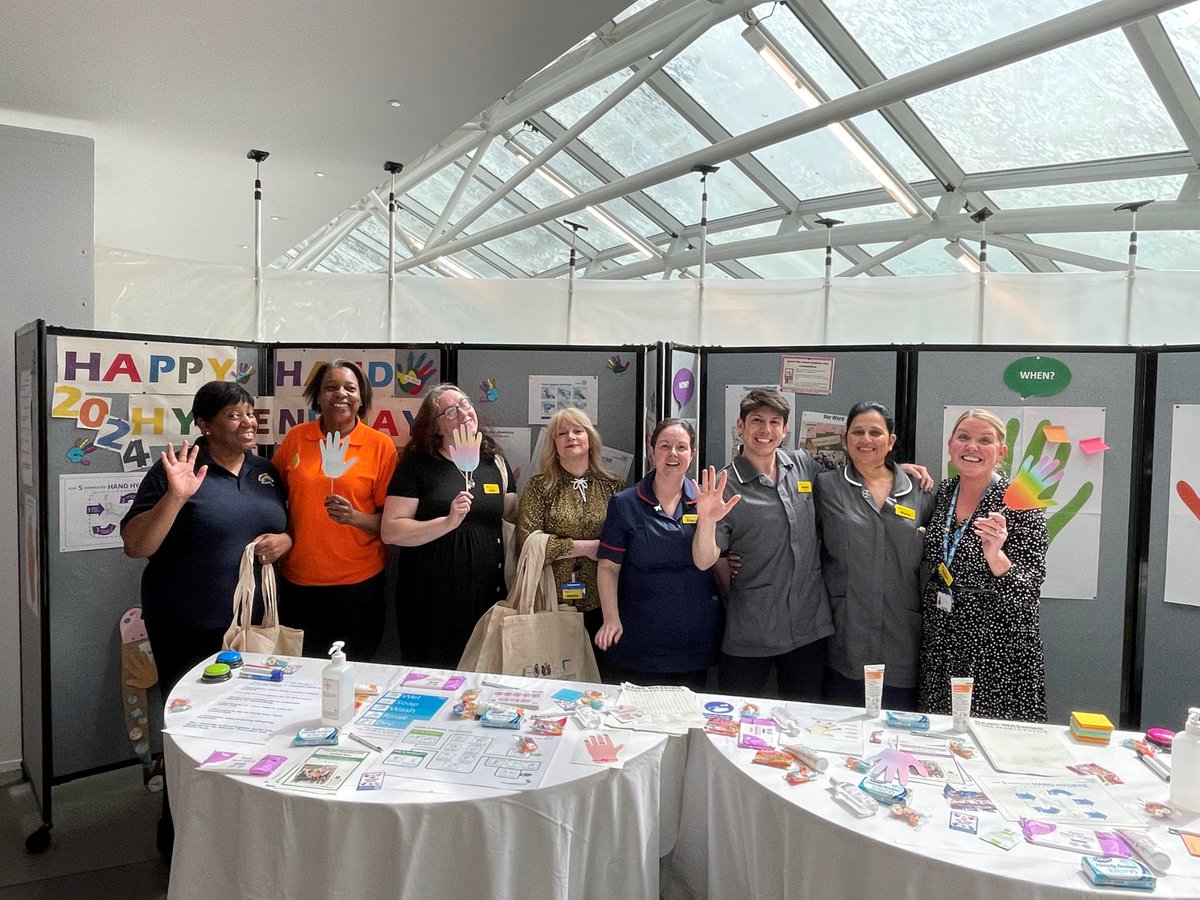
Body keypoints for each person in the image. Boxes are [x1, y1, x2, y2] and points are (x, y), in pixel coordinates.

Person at [121, 380, 290, 857]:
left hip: (250, 628)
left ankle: (238, 831)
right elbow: (137, 546)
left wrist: (287, 543)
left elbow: (282, 527)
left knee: (250, 728)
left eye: (251, 413)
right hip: (186, 622)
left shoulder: (266, 471)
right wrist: (175, 496)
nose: (248, 422)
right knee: (192, 732)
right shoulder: (177, 469)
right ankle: (180, 838)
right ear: (204, 424)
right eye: (234, 415)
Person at [693, 388, 931, 701]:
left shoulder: (803, 465)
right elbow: (703, 560)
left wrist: (902, 470)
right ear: (741, 426)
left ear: (785, 429)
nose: (766, 430)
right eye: (756, 421)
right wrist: (707, 521)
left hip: (809, 631)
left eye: (775, 422)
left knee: (807, 723)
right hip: (753, 630)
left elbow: (859, 474)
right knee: (741, 723)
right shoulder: (725, 483)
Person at [919, 408, 1049, 722]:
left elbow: (1028, 592)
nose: (972, 447)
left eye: (984, 440)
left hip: (996, 642)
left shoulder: (1020, 502)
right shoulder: (945, 491)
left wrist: (996, 555)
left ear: (1001, 452)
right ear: (950, 446)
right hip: (943, 635)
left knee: (991, 737)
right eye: (964, 437)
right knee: (941, 733)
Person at [381, 384, 517, 669]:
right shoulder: (417, 466)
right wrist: (448, 521)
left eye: (466, 404)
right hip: (431, 602)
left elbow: (508, 516)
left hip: (487, 598)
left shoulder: (495, 463)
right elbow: (391, 530)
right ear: (436, 426)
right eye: (451, 411)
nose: (464, 413)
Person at [271, 359, 398, 662]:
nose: (340, 393)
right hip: (300, 581)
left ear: (361, 398)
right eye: (330, 387)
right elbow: (271, 497)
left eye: (349, 388)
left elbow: (392, 522)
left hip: (358, 584)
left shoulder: (380, 446)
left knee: (354, 670)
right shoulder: (296, 439)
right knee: (303, 671)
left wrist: (355, 518)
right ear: (318, 397)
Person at [816, 401, 934, 711]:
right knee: (842, 733)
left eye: (875, 432)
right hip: (846, 636)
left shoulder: (921, 491)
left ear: (891, 441)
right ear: (845, 440)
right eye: (857, 432)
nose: (865, 440)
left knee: (897, 735)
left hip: (901, 638)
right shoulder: (826, 486)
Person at [596, 419, 721, 691]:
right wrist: (610, 618)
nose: (673, 454)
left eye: (681, 447)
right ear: (652, 451)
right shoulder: (625, 503)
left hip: (693, 639)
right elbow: (608, 567)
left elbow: (704, 562)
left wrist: (707, 519)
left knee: (686, 723)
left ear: (692, 454)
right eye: (665, 446)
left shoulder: (705, 500)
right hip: (639, 637)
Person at [516, 408, 624, 639]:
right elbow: (526, 544)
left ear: (590, 440)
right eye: (562, 433)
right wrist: (583, 547)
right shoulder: (539, 488)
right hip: (551, 601)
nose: (571, 437)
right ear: (553, 445)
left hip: (604, 603)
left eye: (578, 431)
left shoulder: (614, 486)